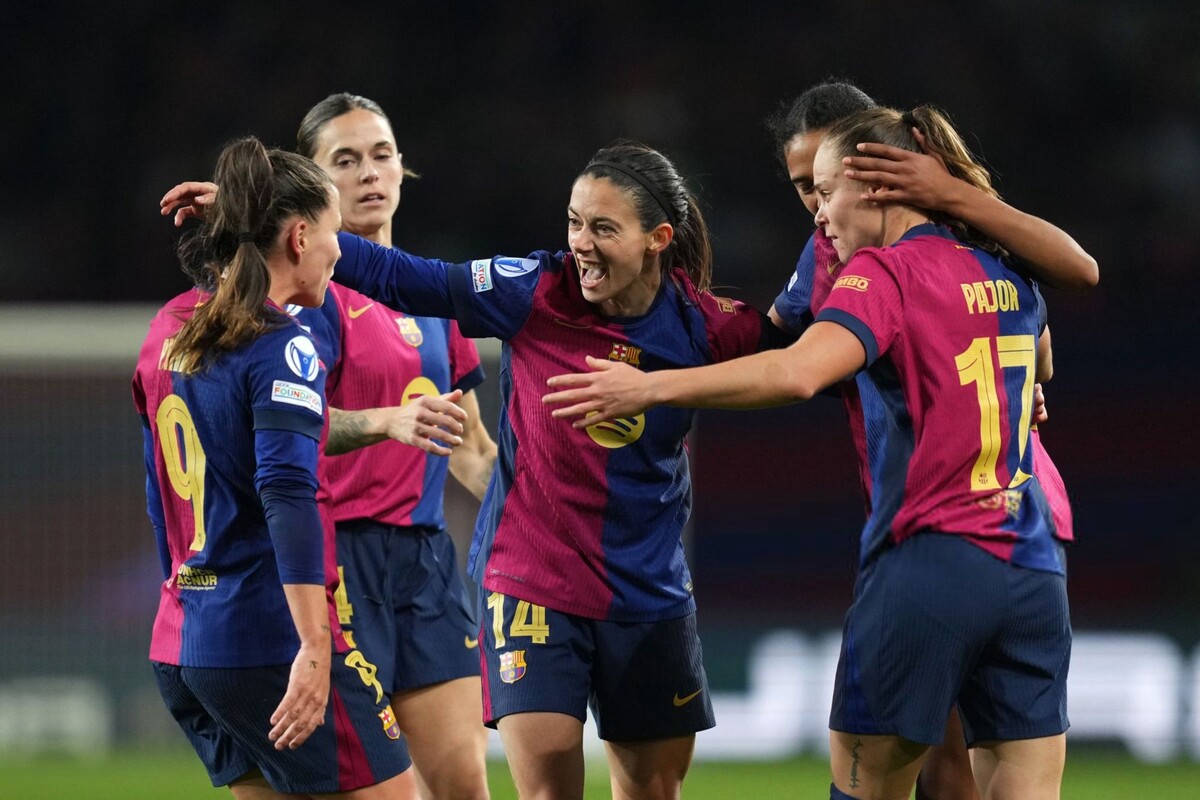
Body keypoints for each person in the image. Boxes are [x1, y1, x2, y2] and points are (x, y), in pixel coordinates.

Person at [165, 139, 787, 799]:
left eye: (604, 228)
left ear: (657, 238)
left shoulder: (700, 326)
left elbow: (797, 362)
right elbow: (406, 276)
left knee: (652, 792)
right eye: (574, 222)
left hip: (648, 586)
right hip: (532, 582)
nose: (581, 243)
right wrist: (261, 215)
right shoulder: (533, 288)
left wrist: (665, 384)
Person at [544, 107, 1074, 800]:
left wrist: (648, 386)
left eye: (825, 192)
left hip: (930, 561)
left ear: (877, 186)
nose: (818, 216)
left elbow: (797, 371)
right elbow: (1043, 358)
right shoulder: (1008, 267)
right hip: (1033, 565)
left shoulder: (883, 273)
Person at [764, 80, 1089, 800]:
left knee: (935, 768)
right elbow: (769, 336)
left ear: (880, 171)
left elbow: (1073, 289)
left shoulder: (930, 242)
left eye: (825, 182)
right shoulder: (829, 254)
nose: (817, 205)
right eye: (803, 188)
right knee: (952, 764)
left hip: (950, 521)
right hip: (981, 529)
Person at [135, 136, 413, 798]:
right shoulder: (280, 347)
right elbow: (288, 495)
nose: (340, 252)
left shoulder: (170, 330)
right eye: (333, 233)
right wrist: (315, 648)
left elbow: (157, 492)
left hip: (183, 637)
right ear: (298, 237)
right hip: (267, 641)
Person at [294, 92, 496, 800]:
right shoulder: (306, 300)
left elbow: (470, 449)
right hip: (336, 561)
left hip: (425, 560)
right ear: (314, 182)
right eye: (345, 160)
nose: (368, 173)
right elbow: (285, 431)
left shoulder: (431, 293)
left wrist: (553, 508)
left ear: (402, 167)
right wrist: (385, 420)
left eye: (381, 155)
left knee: (465, 784)